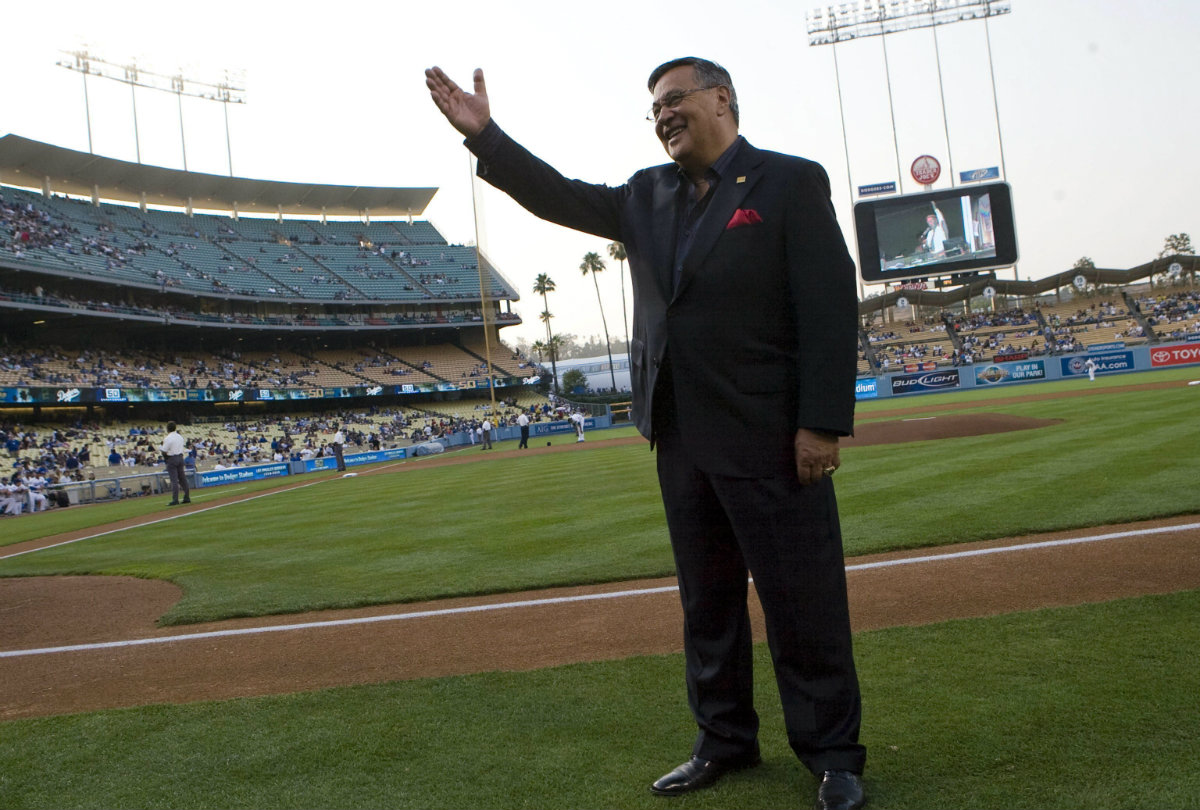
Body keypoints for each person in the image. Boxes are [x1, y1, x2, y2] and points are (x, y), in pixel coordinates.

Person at [427, 57, 866, 810]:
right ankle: (722, 739)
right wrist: (487, 137)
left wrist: (820, 424)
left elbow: (829, 307)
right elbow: (556, 196)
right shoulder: (644, 195)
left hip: (768, 433)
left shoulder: (790, 182)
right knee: (708, 603)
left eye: (673, 100)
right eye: (653, 109)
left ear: (721, 99)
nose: (662, 115)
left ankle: (832, 756)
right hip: (681, 435)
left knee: (803, 601)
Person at [159, 421, 190, 505]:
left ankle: (175, 499)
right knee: (182, 478)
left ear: (167, 429)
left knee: (174, 480)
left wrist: (161, 446)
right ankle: (187, 496)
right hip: (180, 457)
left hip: (172, 458)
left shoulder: (168, 438)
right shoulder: (180, 437)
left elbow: (164, 451)